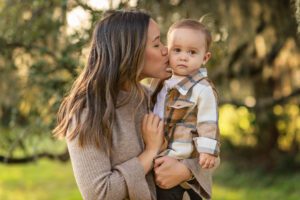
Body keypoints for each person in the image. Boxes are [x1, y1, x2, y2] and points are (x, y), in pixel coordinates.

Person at [53, 10, 203, 200]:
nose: (166, 50)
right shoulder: (86, 113)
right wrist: (150, 152)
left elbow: (207, 151)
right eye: (156, 44)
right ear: (131, 53)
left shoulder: (155, 98)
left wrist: (185, 171)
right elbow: (100, 193)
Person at [153, 19, 220, 200]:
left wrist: (207, 151)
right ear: (168, 51)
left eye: (192, 52)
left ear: (205, 57)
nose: (183, 57)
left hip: (181, 160)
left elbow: (208, 121)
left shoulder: (202, 89)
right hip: (158, 158)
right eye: (177, 50)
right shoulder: (161, 83)